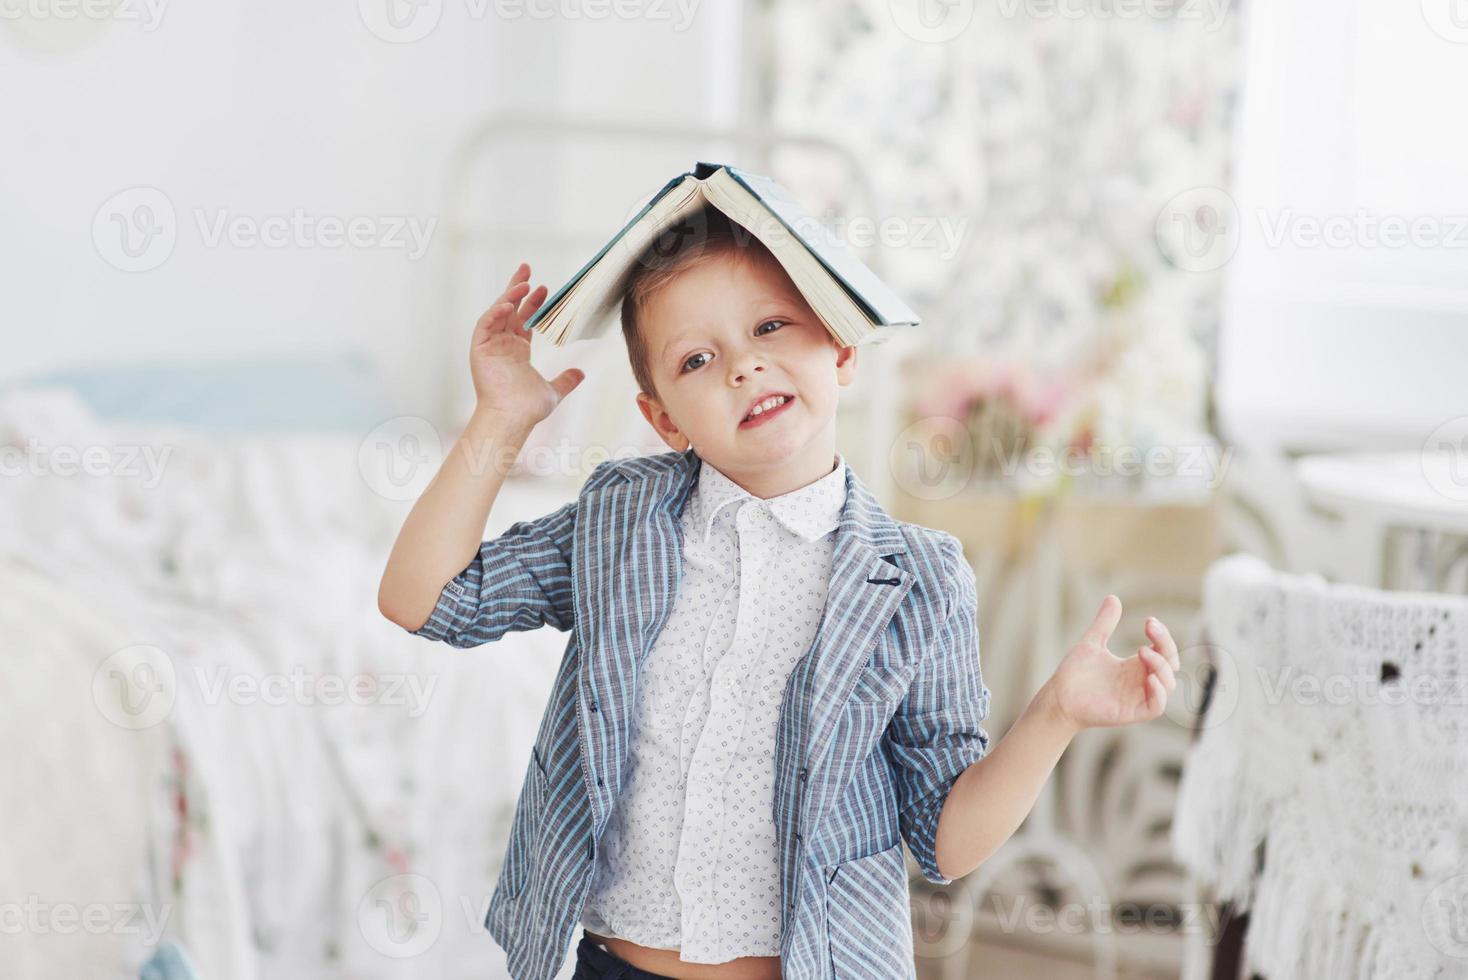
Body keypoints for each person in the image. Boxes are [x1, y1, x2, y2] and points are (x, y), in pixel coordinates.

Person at [377, 207, 1181, 980]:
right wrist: (502, 418)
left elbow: (946, 843)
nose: (742, 365)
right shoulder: (618, 519)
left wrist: (1057, 715)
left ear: (840, 350)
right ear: (664, 419)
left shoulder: (917, 581)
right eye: (696, 360)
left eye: (770, 328)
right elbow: (427, 599)